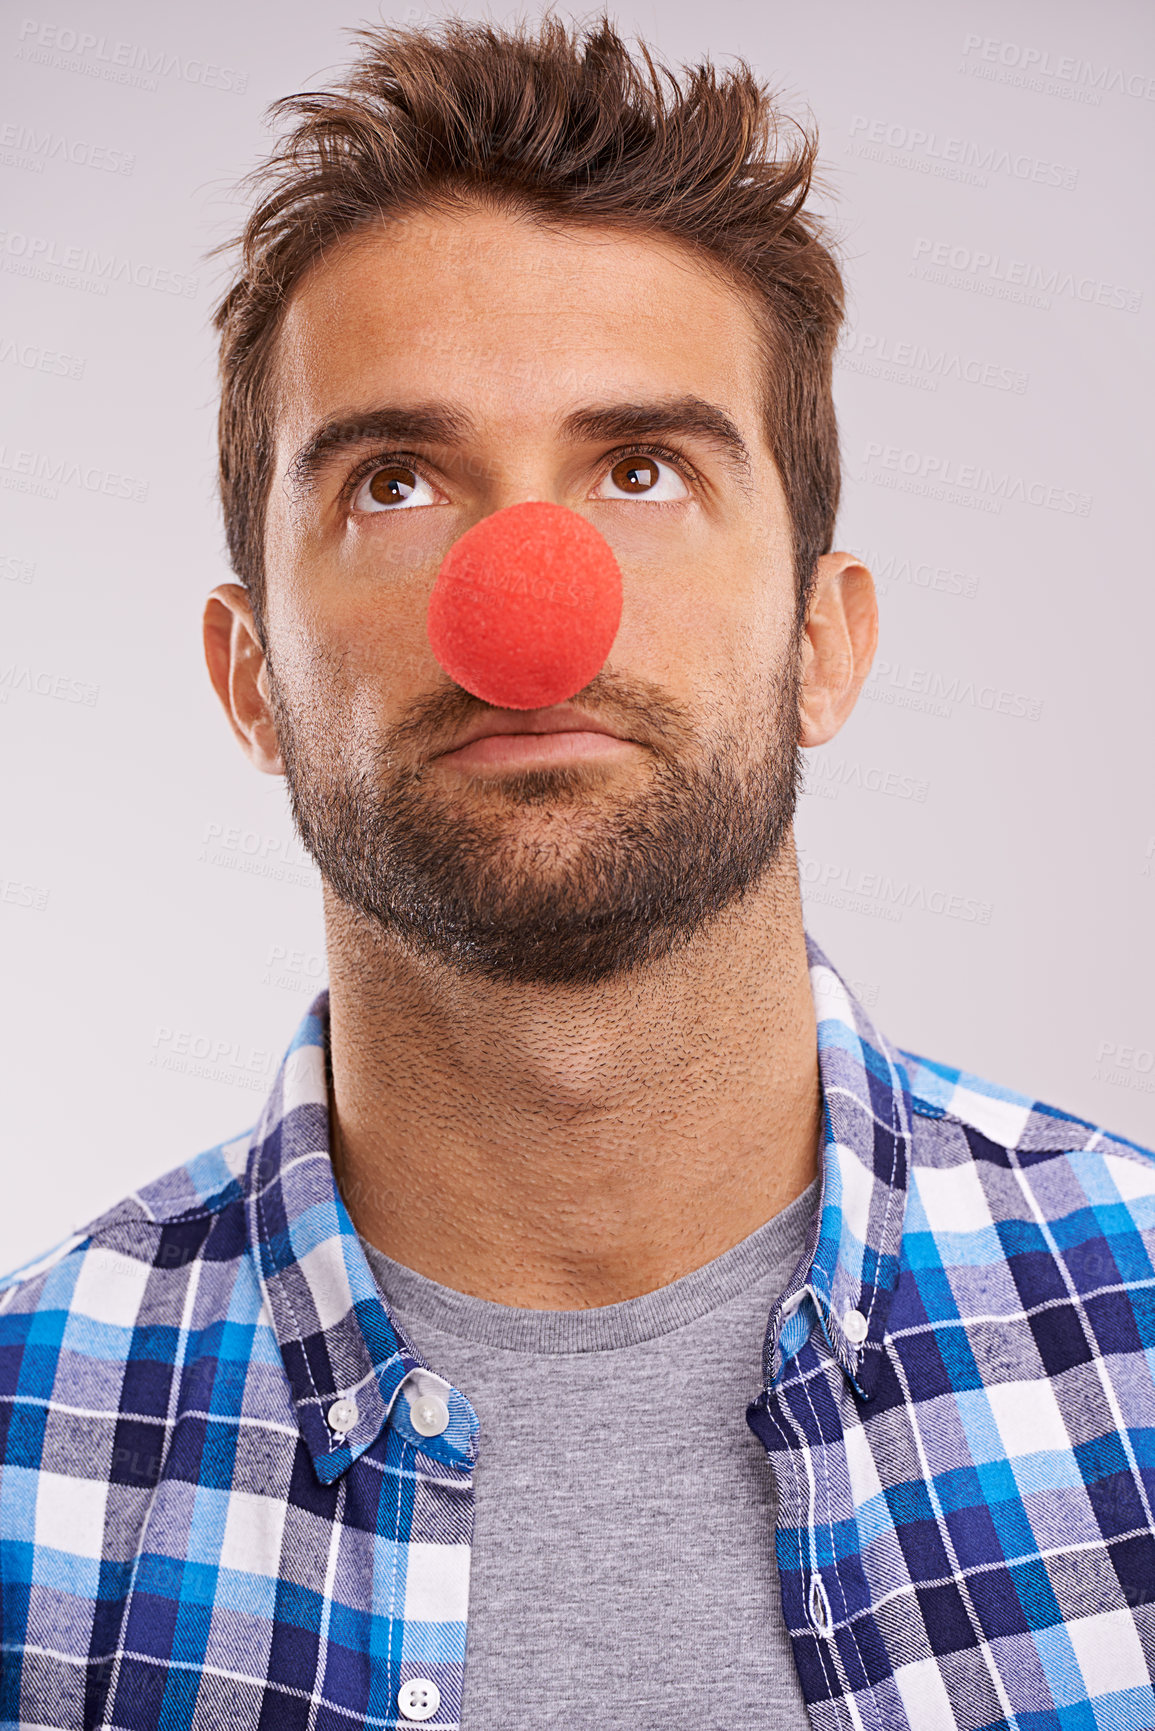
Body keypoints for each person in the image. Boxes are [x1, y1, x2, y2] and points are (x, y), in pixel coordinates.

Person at [1, 18, 1152, 1729]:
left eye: (641, 470)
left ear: (824, 643)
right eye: (394, 483)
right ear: (251, 677)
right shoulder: (28, 1475)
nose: (530, 602)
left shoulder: (1136, 1348)